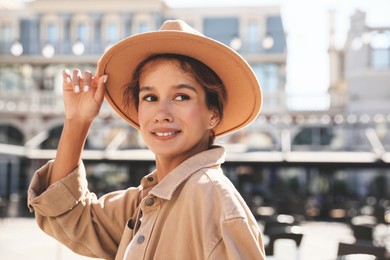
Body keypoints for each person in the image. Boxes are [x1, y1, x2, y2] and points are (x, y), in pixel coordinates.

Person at [28, 20, 265, 260]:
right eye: (150, 97)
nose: (162, 114)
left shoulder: (212, 199)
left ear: (213, 113)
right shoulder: (144, 200)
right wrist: (77, 121)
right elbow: (65, 214)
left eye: (181, 96)